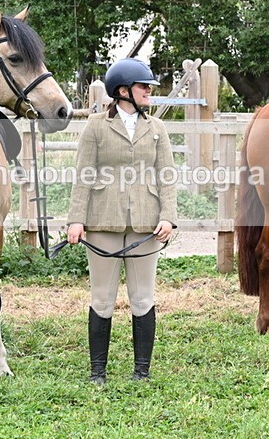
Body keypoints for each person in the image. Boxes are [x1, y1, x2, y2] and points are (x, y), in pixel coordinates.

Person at [67, 58, 178, 384]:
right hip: (103, 223)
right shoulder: (97, 126)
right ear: (123, 91)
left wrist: (169, 216)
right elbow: (83, 176)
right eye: (144, 87)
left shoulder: (156, 128)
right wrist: (76, 219)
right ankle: (97, 372)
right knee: (102, 298)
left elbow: (166, 177)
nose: (149, 93)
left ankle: (141, 371)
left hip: (146, 225)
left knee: (143, 297)